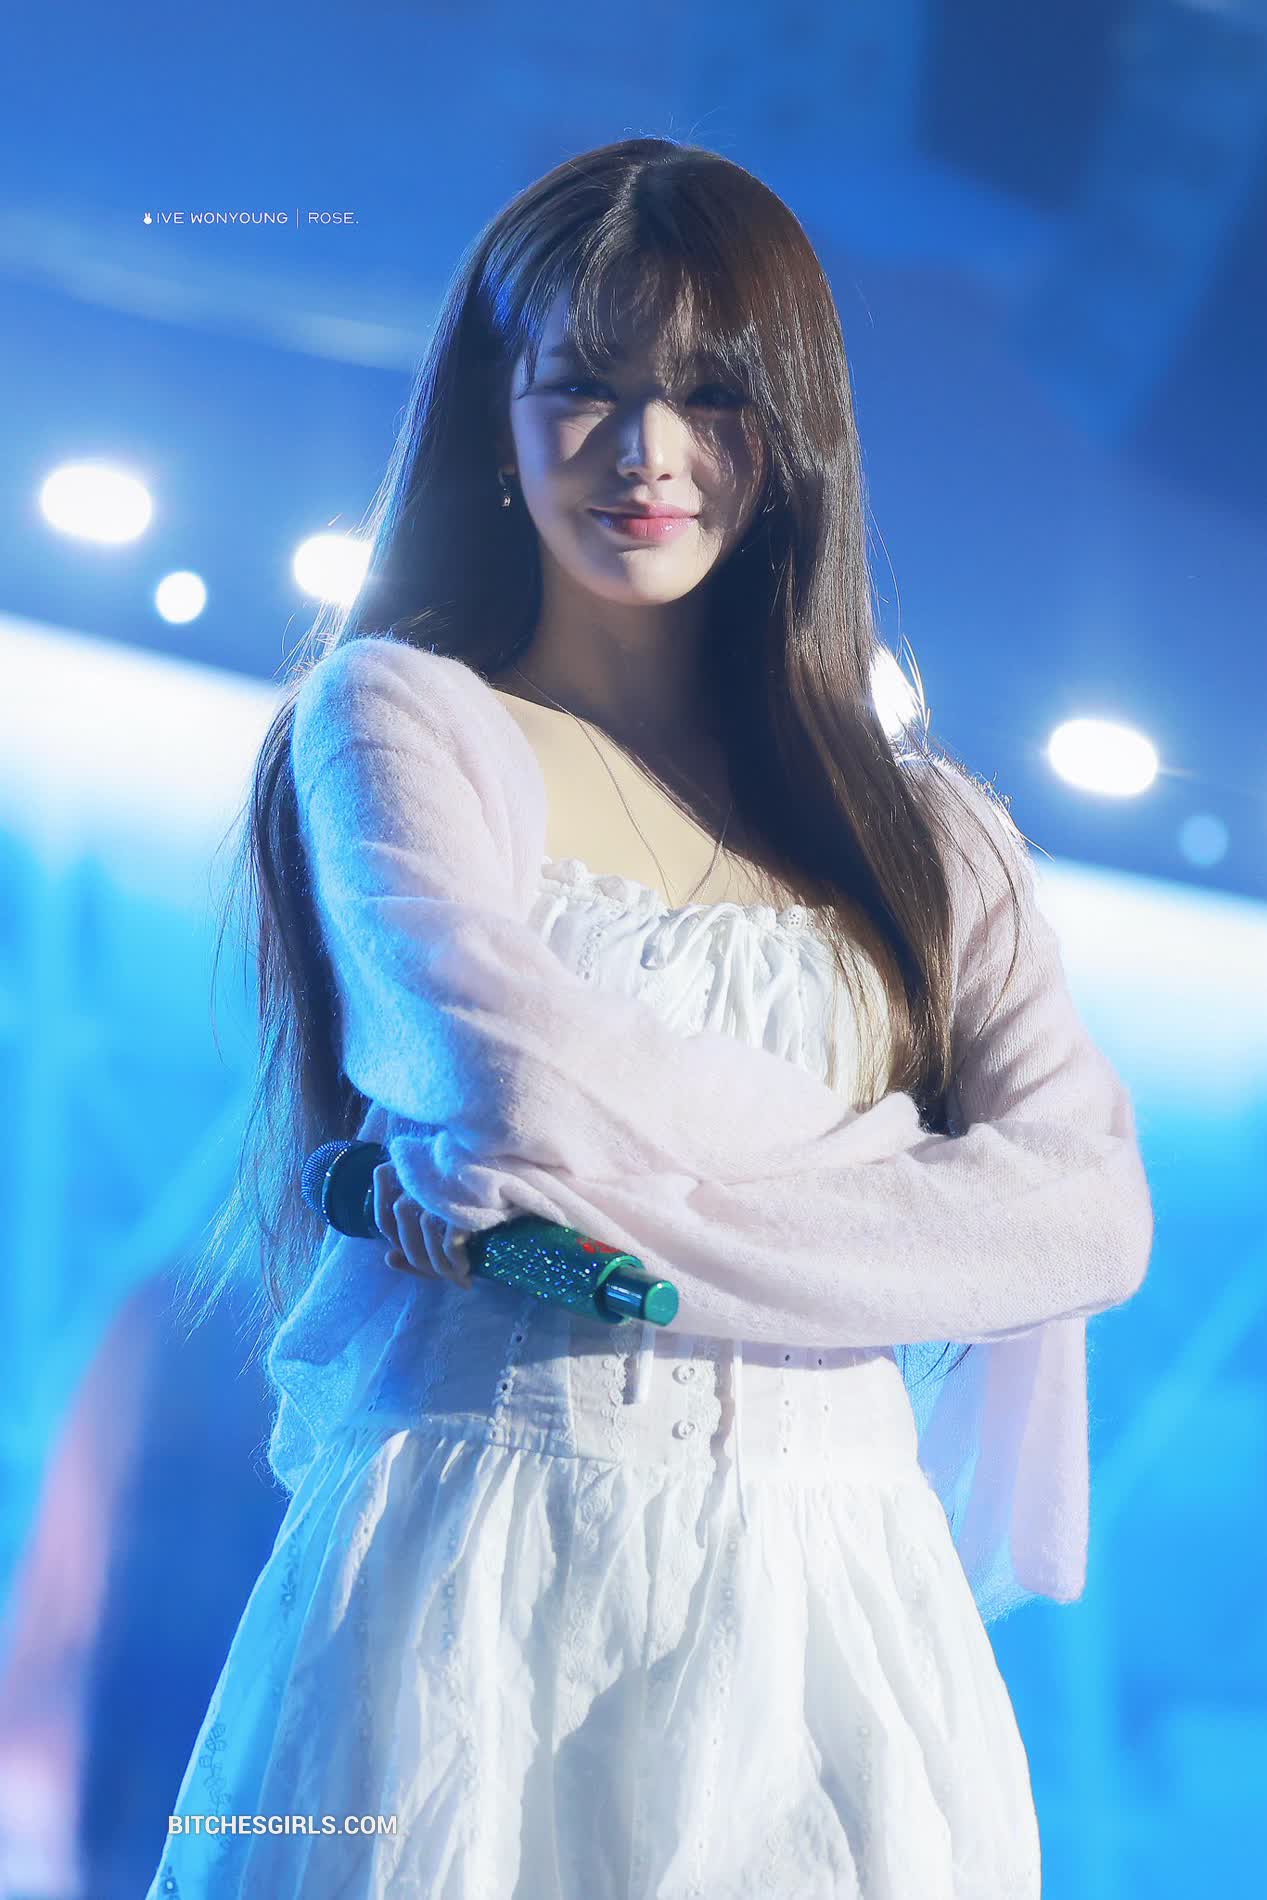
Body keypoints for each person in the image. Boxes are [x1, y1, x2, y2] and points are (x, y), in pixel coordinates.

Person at [147, 136, 1153, 1898]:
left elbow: (1083, 1216)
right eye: (584, 389)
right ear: (497, 415)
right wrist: (905, 1181)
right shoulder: (400, 722)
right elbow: (511, 1086)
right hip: (485, 1565)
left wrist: (621, 1222)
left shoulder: (933, 837)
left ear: (794, 431)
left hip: (843, 1604)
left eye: (708, 395)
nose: (646, 454)